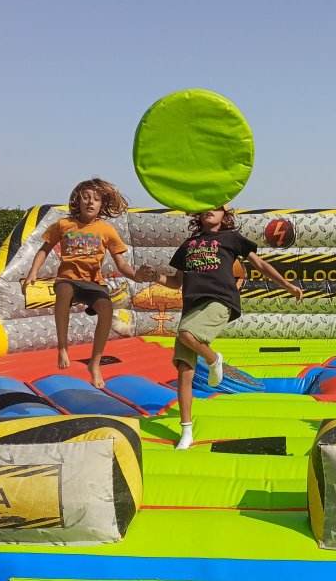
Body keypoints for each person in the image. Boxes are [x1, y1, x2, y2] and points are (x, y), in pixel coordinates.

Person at [140, 206, 302, 449]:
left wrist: (287, 285)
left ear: (225, 216)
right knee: (184, 371)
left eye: (217, 208)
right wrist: (154, 277)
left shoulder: (231, 238)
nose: (210, 211)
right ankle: (186, 432)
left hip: (220, 301)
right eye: (205, 208)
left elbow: (259, 264)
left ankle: (214, 359)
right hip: (192, 307)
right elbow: (175, 282)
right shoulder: (189, 245)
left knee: (186, 334)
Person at [22, 178, 141, 389]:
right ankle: (62, 347)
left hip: (93, 283)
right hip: (67, 279)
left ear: (102, 205)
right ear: (78, 201)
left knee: (106, 308)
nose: (90, 202)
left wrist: (137, 276)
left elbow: (122, 264)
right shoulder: (64, 225)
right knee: (64, 291)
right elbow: (44, 249)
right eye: (85, 197)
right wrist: (33, 272)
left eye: (96, 199)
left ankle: (94, 364)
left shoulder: (106, 230)